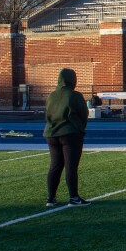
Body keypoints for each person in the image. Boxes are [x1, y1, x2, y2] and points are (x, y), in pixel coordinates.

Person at [43, 68, 90, 207]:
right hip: (70, 133)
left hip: (51, 133)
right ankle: (74, 197)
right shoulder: (74, 95)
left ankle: (51, 198)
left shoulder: (51, 95)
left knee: (55, 165)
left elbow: (47, 115)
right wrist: (80, 128)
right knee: (71, 166)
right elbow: (83, 114)